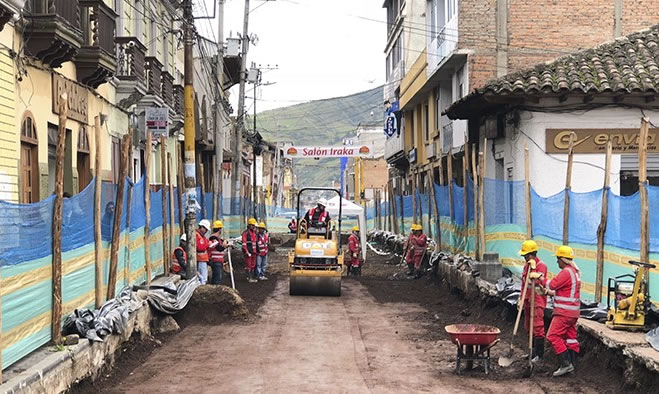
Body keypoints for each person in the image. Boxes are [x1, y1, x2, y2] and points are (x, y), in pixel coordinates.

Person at [543, 245, 581, 377]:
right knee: (571, 338)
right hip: (573, 313)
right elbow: (564, 291)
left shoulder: (566, 272)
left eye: (558, 259)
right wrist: (549, 293)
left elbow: (553, 284)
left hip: (564, 313)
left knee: (552, 336)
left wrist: (541, 278)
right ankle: (572, 364)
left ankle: (566, 364)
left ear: (563, 259)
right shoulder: (575, 272)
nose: (556, 261)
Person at [518, 240, 548, 363]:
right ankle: (532, 351)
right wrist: (521, 299)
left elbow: (539, 282)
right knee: (528, 327)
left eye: (526, 255)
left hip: (537, 301)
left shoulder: (541, 266)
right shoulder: (526, 266)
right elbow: (523, 284)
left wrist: (534, 271)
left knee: (537, 327)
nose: (524, 258)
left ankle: (539, 355)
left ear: (532, 254)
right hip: (528, 300)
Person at [196, 219, 216, 285]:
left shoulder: (202, 236)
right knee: (202, 278)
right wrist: (208, 244)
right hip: (200, 260)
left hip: (203, 260)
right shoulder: (196, 235)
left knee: (203, 278)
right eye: (205, 229)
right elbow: (200, 248)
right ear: (201, 227)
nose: (206, 231)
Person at [209, 220, 229, 285]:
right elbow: (219, 248)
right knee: (217, 279)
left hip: (219, 261)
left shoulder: (218, 239)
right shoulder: (213, 238)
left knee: (217, 277)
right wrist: (225, 246)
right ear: (220, 229)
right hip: (216, 261)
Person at [242, 218, 259, 283]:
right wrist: (246, 251)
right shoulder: (245, 233)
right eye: (253, 225)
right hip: (249, 252)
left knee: (253, 265)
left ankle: (251, 277)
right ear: (250, 225)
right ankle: (249, 277)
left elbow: (255, 242)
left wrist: (257, 251)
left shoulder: (254, 233)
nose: (254, 227)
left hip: (254, 252)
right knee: (248, 265)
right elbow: (244, 244)